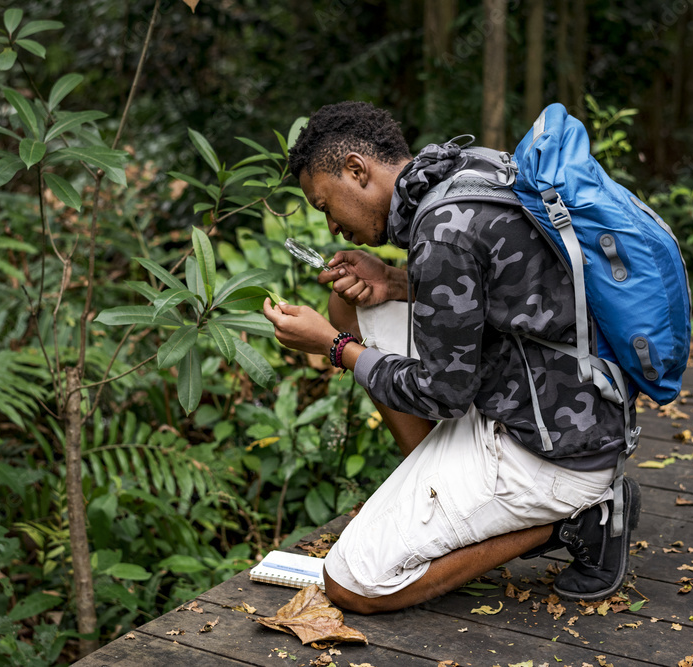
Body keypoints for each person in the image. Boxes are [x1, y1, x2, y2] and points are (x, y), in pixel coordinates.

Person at [261, 101, 640, 614]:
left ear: (357, 169)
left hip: (553, 451)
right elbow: (502, 290)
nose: (330, 226)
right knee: (345, 304)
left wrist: (332, 346)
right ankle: (437, 484)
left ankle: (578, 519)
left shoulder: (440, 231)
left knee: (353, 584)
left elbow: (442, 394)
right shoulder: (467, 167)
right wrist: (394, 281)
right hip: (576, 401)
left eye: (325, 206)